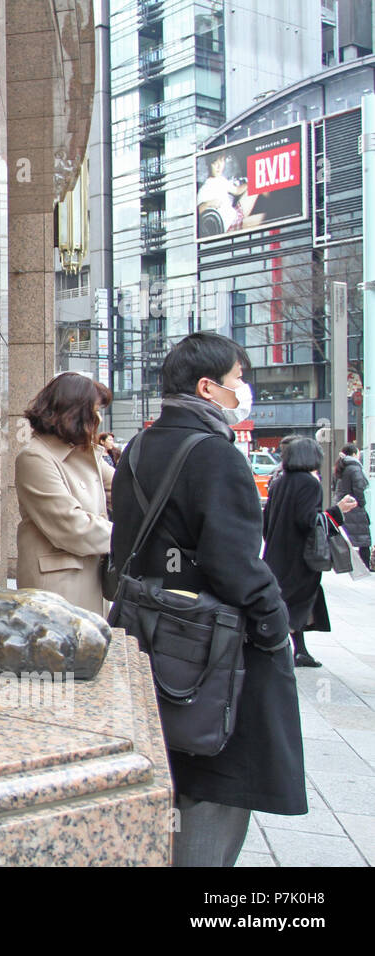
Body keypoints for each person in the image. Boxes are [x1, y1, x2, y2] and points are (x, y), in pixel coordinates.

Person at [110, 331, 302, 867]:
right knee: (213, 787)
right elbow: (235, 564)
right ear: (207, 387)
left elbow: (124, 546)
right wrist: (272, 622)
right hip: (210, 649)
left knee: (165, 770)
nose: (243, 390)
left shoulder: (139, 447)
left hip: (145, 635)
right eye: (239, 379)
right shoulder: (216, 456)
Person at [15, 371, 114, 616]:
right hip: (58, 591)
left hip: (88, 582)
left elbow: (125, 489)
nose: (99, 418)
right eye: (95, 409)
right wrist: (127, 539)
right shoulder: (35, 457)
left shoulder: (85, 455)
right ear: (76, 411)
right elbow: (71, 527)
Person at [263, 438, 357, 670]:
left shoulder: (280, 482)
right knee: (296, 602)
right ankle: (280, 647)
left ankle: (298, 650)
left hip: (277, 552)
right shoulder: (309, 483)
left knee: (287, 600)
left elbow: (266, 522)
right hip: (299, 557)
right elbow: (308, 521)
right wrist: (338, 512)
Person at [197, 154, 265, 234]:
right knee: (266, 218)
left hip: (235, 214)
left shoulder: (220, 179)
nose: (219, 166)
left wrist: (252, 182)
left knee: (258, 185)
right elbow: (197, 212)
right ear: (208, 164)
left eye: (221, 161)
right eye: (215, 163)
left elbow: (237, 191)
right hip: (231, 226)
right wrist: (208, 203)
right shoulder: (204, 190)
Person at [333, 442, 370, 569]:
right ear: (354, 454)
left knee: (348, 537)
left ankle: (347, 564)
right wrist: (362, 503)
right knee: (363, 539)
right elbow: (359, 487)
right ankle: (365, 565)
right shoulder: (354, 467)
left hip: (343, 505)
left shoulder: (341, 466)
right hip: (354, 506)